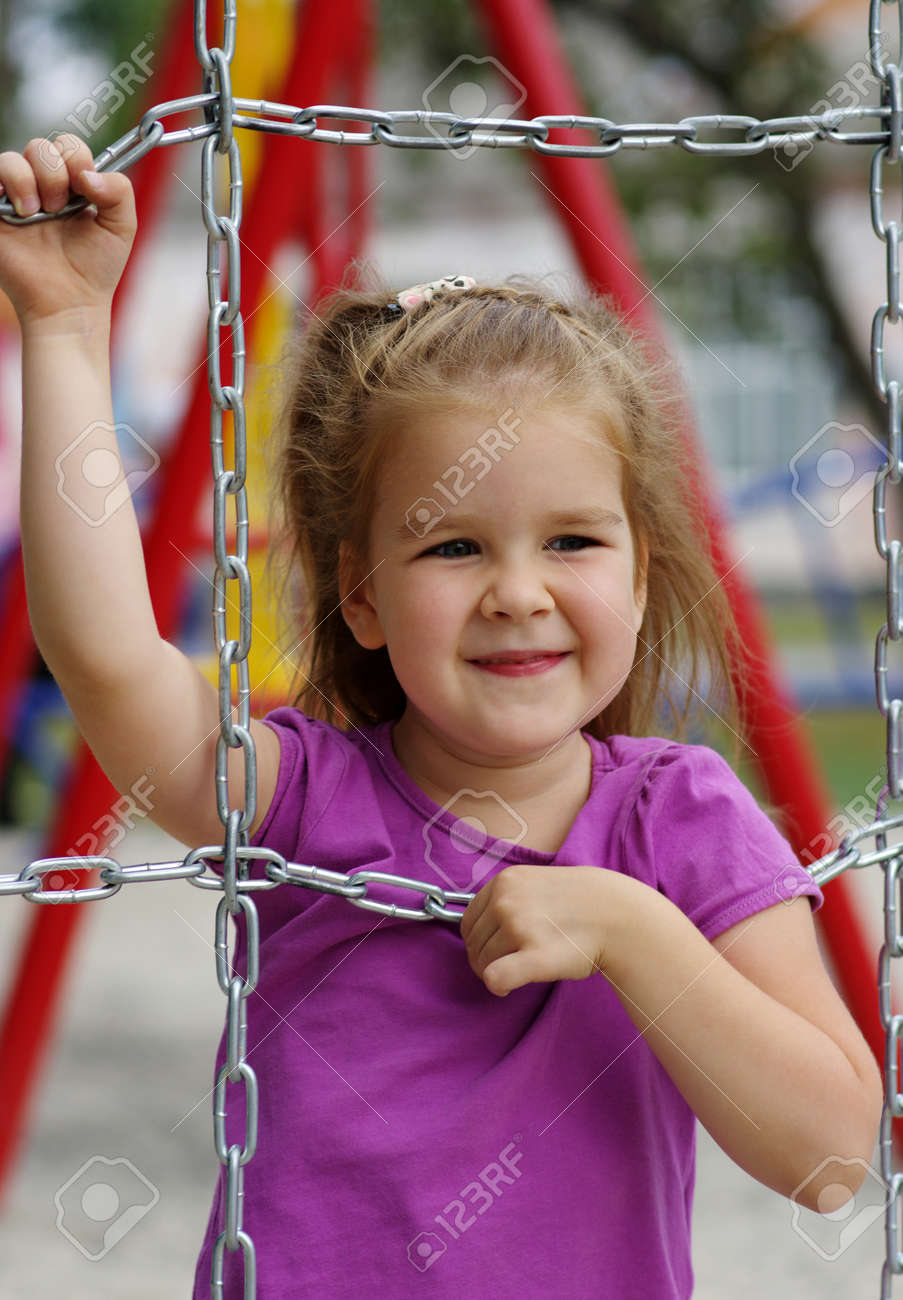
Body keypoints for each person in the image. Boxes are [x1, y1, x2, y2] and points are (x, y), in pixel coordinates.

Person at [0, 134, 884, 1300]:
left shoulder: (677, 823)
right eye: (455, 546)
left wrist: (635, 932)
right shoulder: (305, 799)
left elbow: (829, 1157)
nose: (518, 591)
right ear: (362, 595)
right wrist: (66, 327)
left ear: (637, 572)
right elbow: (109, 658)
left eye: (572, 540)